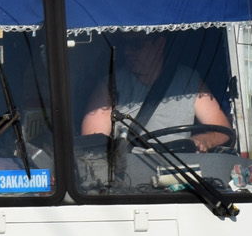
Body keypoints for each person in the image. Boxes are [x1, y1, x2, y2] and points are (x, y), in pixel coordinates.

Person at [80, 31, 230, 152]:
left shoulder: (189, 80)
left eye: (136, 44)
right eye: (124, 44)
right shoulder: (109, 86)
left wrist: (202, 140)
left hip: (182, 170)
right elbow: (93, 144)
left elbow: (222, 130)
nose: (127, 51)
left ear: (160, 45)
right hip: (130, 176)